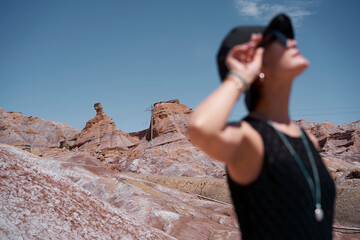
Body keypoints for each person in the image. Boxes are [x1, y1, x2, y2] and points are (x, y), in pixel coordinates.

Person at [188, 13, 335, 239]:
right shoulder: (251, 138)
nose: (293, 42)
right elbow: (200, 128)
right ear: (256, 61)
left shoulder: (308, 141)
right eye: (280, 38)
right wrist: (240, 76)